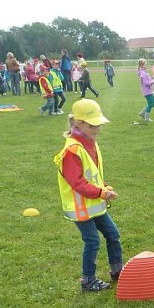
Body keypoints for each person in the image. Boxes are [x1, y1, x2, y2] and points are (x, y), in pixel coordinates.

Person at [53, 99, 122, 292]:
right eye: (92, 125)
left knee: (112, 234)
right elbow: (78, 183)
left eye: (99, 124)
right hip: (80, 207)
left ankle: (118, 270)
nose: (97, 128)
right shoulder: (72, 151)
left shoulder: (90, 143)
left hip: (95, 204)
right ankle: (88, 280)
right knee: (92, 241)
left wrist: (103, 185)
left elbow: (92, 174)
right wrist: (102, 192)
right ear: (78, 123)